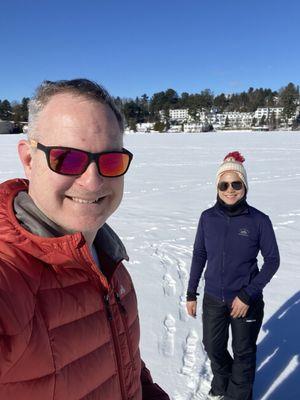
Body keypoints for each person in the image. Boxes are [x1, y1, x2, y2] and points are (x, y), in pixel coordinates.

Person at [0, 79, 170, 400]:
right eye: (67, 159)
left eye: (110, 161)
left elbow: (122, 360)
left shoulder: (108, 259)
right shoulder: (10, 275)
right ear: (28, 159)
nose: (92, 182)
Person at [186, 152, 280, 400]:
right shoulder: (207, 218)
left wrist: (248, 295)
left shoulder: (259, 221)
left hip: (245, 301)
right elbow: (199, 255)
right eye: (224, 184)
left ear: (245, 186)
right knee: (213, 347)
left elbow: (272, 261)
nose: (230, 190)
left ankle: (238, 396)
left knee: (243, 352)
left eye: (236, 184)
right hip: (214, 298)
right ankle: (223, 383)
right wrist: (191, 292)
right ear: (217, 187)